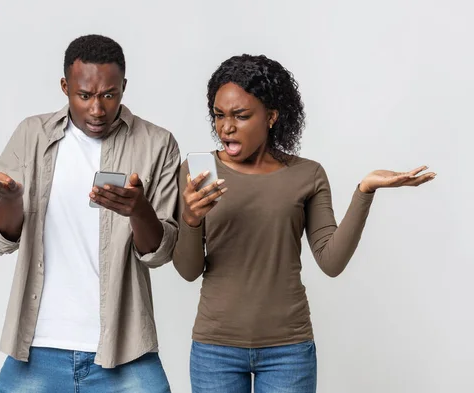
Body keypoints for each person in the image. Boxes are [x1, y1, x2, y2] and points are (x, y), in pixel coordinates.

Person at [173, 54, 435, 393]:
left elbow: (331, 262)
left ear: (271, 117)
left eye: (241, 115)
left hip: (288, 350)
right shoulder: (199, 173)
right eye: (219, 115)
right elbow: (189, 270)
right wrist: (191, 219)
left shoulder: (307, 175)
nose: (226, 127)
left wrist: (364, 191)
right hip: (215, 349)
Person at [0, 34, 178, 393]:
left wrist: (138, 210)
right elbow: (3, 239)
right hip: (38, 346)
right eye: (84, 96)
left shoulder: (157, 144)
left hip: (124, 348)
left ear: (124, 88)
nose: (97, 110)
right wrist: (12, 199)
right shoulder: (32, 135)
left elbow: (159, 253)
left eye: (109, 95)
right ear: (65, 86)